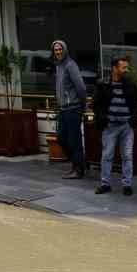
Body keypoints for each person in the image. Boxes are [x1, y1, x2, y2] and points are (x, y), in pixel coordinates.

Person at [92, 55, 137, 196]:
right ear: (114, 68)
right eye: (123, 67)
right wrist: (103, 118)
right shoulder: (103, 84)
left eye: (127, 67)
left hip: (126, 126)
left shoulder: (131, 84)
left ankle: (127, 185)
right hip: (110, 126)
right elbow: (96, 104)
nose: (126, 70)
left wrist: (133, 120)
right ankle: (105, 184)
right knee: (107, 155)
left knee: (127, 156)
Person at [50, 39, 87, 179]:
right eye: (56, 50)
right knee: (61, 137)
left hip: (73, 108)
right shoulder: (58, 66)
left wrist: (83, 105)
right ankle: (77, 164)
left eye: (60, 49)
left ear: (65, 50)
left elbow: (81, 87)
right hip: (63, 109)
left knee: (74, 140)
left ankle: (78, 169)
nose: (58, 52)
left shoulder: (71, 65)